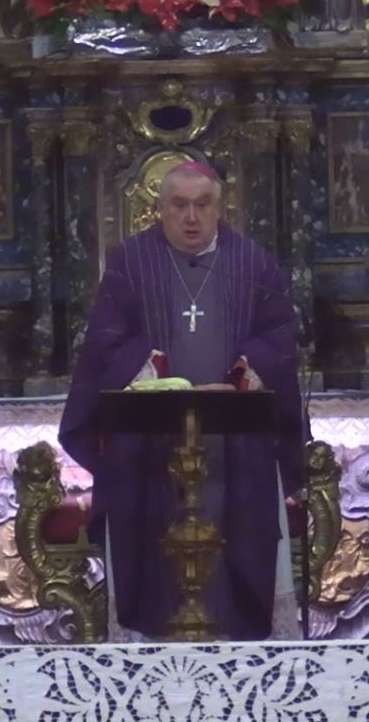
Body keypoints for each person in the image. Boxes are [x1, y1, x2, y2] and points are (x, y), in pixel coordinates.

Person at [59, 161, 305, 641]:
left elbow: (279, 337)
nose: (191, 217)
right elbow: (105, 342)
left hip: (237, 445)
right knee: (153, 573)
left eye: (202, 204)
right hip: (149, 447)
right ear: (160, 209)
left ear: (220, 206)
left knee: (240, 570)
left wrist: (239, 377)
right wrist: (158, 374)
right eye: (179, 205)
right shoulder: (130, 262)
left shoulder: (252, 264)